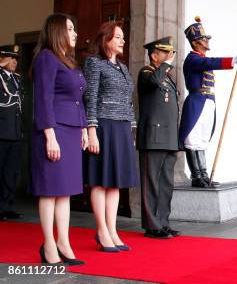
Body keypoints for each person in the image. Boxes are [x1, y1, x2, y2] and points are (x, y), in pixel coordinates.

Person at [30, 13, 87, 265]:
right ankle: (49, 245)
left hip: (72, 130)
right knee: (50, 191)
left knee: (65, 192)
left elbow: (79, 100)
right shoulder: (46, 58)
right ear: (56, 31)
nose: (75, 33)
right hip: (54, 131)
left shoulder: (70, 62)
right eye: (70, 29)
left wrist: (84, 128)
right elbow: (42, 99)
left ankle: (63, 242)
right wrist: (49, 136)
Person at [83, 21, 139, 252]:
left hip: (122, 128)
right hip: (104, 127)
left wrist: (132, 131)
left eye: (122, 37)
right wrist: (92, 130)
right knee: (100, 180)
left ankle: (113, 230)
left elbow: (128, 101)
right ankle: (102, 231)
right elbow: (91, 98)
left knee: (115, 182)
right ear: (105, 39)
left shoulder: (123, 68)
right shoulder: (94, 63)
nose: (122, 41)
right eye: (118, 37)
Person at [179, 17, 237, 187]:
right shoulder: (193, 59)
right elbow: (208, 62)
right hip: (196, 102)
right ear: (196, 42)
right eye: (204, 39)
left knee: (202, 139)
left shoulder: (200, 58)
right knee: (192, 139)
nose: (207, 41)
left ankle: (204, 175)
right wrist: (231, 61)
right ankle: (196, 177)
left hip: (207, 102)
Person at [137, 37, 181, 239]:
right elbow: (154, 82)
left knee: (165, 184)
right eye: (165, 53)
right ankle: (152, 225)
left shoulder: (167, 76)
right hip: (153, 137)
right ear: (154, 56)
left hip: (170, 137)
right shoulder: (147, 72)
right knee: (151, 183)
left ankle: (163, 222)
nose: (170, 57)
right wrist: (165, 65)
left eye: (170, 53)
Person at [0, 45, 24, 221]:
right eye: (10, 58)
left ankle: (6, 206)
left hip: (15, 132)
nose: (14, 61)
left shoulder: (17, 79)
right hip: (1, 132)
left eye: (16, 59)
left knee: (11, 172)